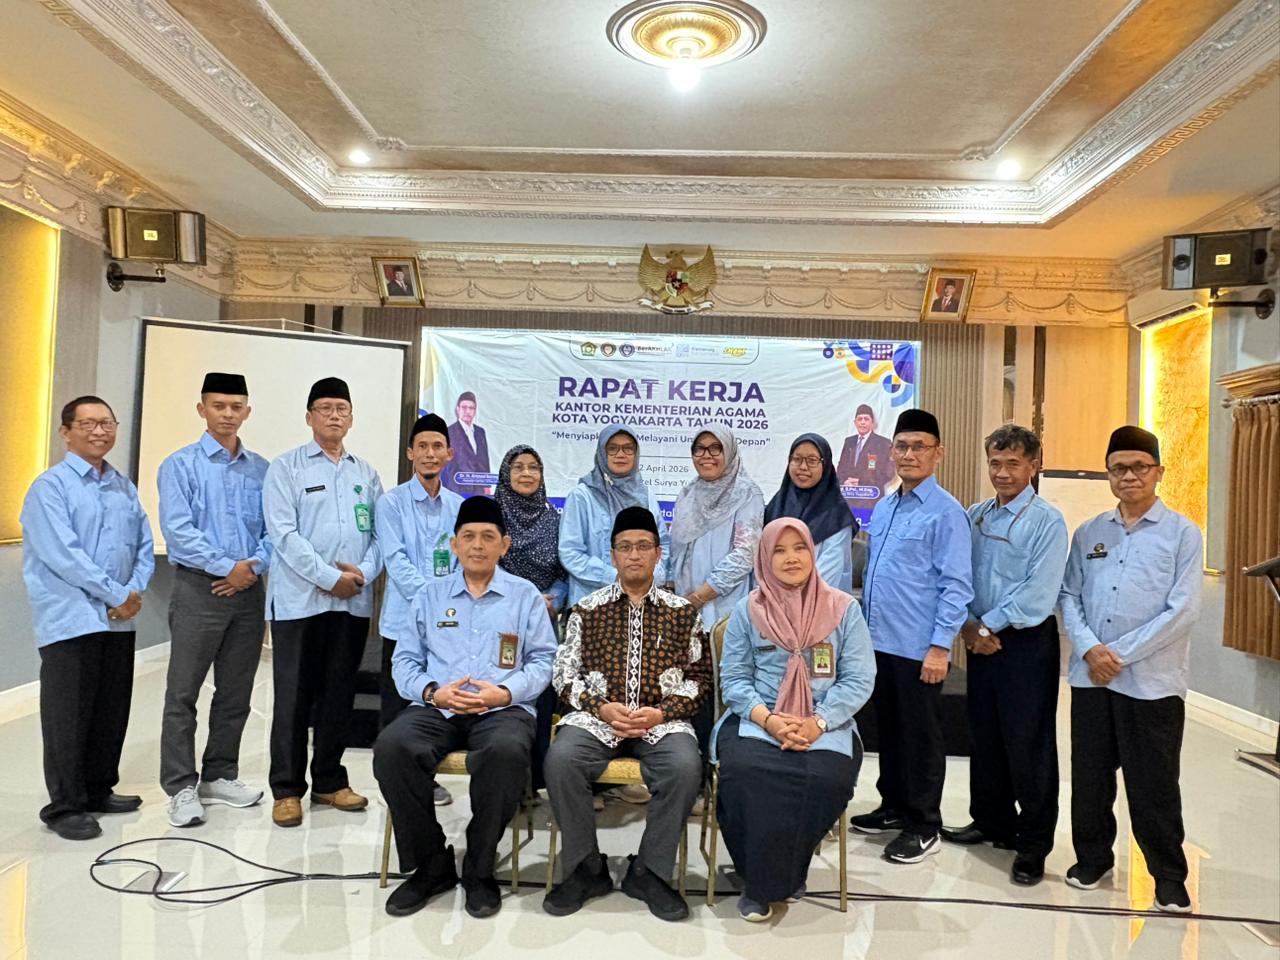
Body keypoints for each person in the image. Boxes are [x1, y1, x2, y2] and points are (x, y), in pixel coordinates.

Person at [373, 496, 557, 919]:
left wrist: (505, 693)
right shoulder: (430, 595)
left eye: (488, 537)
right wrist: (432, 692)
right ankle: (432, 864)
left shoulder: (524, 596)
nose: (478, 545)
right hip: (438, 706)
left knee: (506, 752)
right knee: (393, 748)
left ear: (504, 545)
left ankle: (479, 865)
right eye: (468, 536)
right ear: (453, 544)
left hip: (502, 708)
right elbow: (404, 661)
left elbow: (543, 661)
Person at [1059, 426, 1202, 914]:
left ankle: (1168, 876)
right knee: (1090, 779)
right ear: (1109, 475)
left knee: (1153, 784)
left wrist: (1116, 655)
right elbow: (1069, 596)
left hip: (1152, 684)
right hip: (1090, 679)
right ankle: (1092, 859)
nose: (1129, 476)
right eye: (1118, 468)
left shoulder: (1182, 534)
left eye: (1139, 466)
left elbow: (1183, 610)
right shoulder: (1090, 532)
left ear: (1158, 472)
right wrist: (1089, 649)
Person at [543, 506, 709, 921]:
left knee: (685, 767)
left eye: (643, 546)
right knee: (562, 760)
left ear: (658, 553)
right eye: (625, 547)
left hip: (662, 722)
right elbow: (564, 675)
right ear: (613, 555)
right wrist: (599, 706)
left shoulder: (683, 612)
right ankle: (586, 868)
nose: (634, 555)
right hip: (598, 719)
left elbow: (699, 679)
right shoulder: (586, 609)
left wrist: (662, 712)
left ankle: (650, 872)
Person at [716, 518, 875, 921]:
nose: (791, 558)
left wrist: (817, 722)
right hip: (760, 718)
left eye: (799, 548)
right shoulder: (748, 610)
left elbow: (859, 679)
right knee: (743, 773)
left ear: (812, 552)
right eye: (779, 551)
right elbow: (734, 680)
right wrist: (769, 720)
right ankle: (763, 879)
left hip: (825, 722)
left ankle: (777, 874)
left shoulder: (844, 609)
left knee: (825, 778)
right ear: (764, 560)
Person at [20, 396, 155, 841]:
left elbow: (143, 542)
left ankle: (98, 789)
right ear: (66, 432)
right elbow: (65, 556)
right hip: (72, 617)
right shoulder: (50, 488)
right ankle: (64, 806)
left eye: (107, 423)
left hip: (119, 618)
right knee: (69, 715)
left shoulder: (122, 485)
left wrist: (133, 591)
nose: (100, 431)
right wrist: (117, 594)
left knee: (110, 709)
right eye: (89, 424)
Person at [941, 425, 1068, 886]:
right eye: (995, 463)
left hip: (1025, 643)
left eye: (1013, 463)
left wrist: (986, 625)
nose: (1002, 472)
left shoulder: (1047, 521)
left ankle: (1032, 844)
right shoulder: (975, 515)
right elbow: (957, 575)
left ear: (1034, 465)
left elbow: (1039, 593)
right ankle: (991, 820)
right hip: (980, 639)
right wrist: (968, 625)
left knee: (1028, 743)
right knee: (985, 736)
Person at [849, 408, 973, 864]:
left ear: (938, 453)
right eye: (901, 446)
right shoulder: (885, 506)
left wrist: (940, 646)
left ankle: (923, 823)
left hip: (919, 647)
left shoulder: (947, 513)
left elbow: (956, 586)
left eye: (920, 446)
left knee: (921, 737)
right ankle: (894, 806)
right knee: (891, 730)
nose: (909, 454)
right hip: (878, 641)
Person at [263, 377, 383, 828]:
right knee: (293, 697)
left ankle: (330, 781)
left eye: (342, 409)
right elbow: (284, 535)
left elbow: (379, 536)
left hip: (351, 604)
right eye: (326, 408)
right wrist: (331, 578)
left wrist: (361, 574)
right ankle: (286, 789)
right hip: (300, 604)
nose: (335, 415)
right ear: (309, 416)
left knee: (338, 694)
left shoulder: (365, 473)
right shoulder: (286, 468)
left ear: (351, 418)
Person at [157, 372, 272, 828]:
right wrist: (228, 568)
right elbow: (178, 532)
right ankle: (180, 786)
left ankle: (220, 774)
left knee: (236, 691)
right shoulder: (180, 465)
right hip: (199, 590)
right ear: (201, 409)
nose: (227, 414)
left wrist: (250, 569)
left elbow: (274, 530)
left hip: (248, 591)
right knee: (183, 693)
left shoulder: (261, 469)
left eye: (236, 406)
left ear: (247, 411)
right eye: (218, 405)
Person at [374, 413, 463, 811]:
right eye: (422, 446)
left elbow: (462, 560)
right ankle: (394, 782)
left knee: (432, 704)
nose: (430, 453)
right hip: (402, 621)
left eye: (437, 446)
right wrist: (433, 598)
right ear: (410, 453)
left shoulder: (458, 506)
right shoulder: (390, 503)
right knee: (397, 704)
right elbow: (395, 559)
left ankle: (425, 778)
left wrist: (444, 602)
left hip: (446, 624)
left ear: (449, 454)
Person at [494, 444, 568, 795]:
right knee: (507, 694)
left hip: (545, 619)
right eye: (518, 467)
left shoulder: (554, 519)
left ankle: (535, 781)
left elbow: (564, 572)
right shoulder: (494, 517)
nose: (526, 473)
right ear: (505, 474)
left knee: (541, 695)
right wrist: (525, 597)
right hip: (500, 619)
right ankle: (507, 781)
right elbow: (484, 565)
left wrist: (554, 599)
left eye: (533, 467)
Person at [559, 424, 669, 606]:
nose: (620, 454)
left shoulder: (646, 495)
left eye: (628, 448)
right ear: (602, 453)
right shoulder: (582, 496)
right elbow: (570, 552)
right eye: (612, 448)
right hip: (593, 601)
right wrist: (616, 577)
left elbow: (662, 543)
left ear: (636, 453)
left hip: (641, 599)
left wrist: (652, 575)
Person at [669, 424, 764, 631]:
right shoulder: (687, 493)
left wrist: (700, 597)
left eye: (715, 448)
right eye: (699, 448)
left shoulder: (746, 493)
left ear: (728, 451)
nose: (706, 455)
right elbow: (675, 548)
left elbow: (745, 554)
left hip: (725, 609)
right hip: (684, 609)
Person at [765, 433, 858, 592]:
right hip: (771, 601)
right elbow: (762, 562)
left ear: (825, 465)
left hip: (818, 602)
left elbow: (827, 577)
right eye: (797, 459)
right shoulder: (775, 507)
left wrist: (785, 599)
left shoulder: (837, 517)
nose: (803, 467)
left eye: (812, 460)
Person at [835, 404, 895, 510]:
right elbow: (841, 468)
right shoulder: (849, 442)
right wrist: (845, 481)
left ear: (872, 423)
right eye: (859, 419)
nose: (862, 422)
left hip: (871, 500)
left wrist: (861, 482)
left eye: (866, 419)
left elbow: (888, 473)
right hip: (849, 500)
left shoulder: (883, 443)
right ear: (855, 423)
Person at [444, 392, 490, 495]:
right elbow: (447, 464)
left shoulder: (480, 432)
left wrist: (487, 485)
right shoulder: (449, 431)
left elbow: (484, 460)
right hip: (457, 488)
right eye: (464, 407)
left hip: (478, 489)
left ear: (475, 411)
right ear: (458, 409)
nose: (468, 411)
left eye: (471, 408)